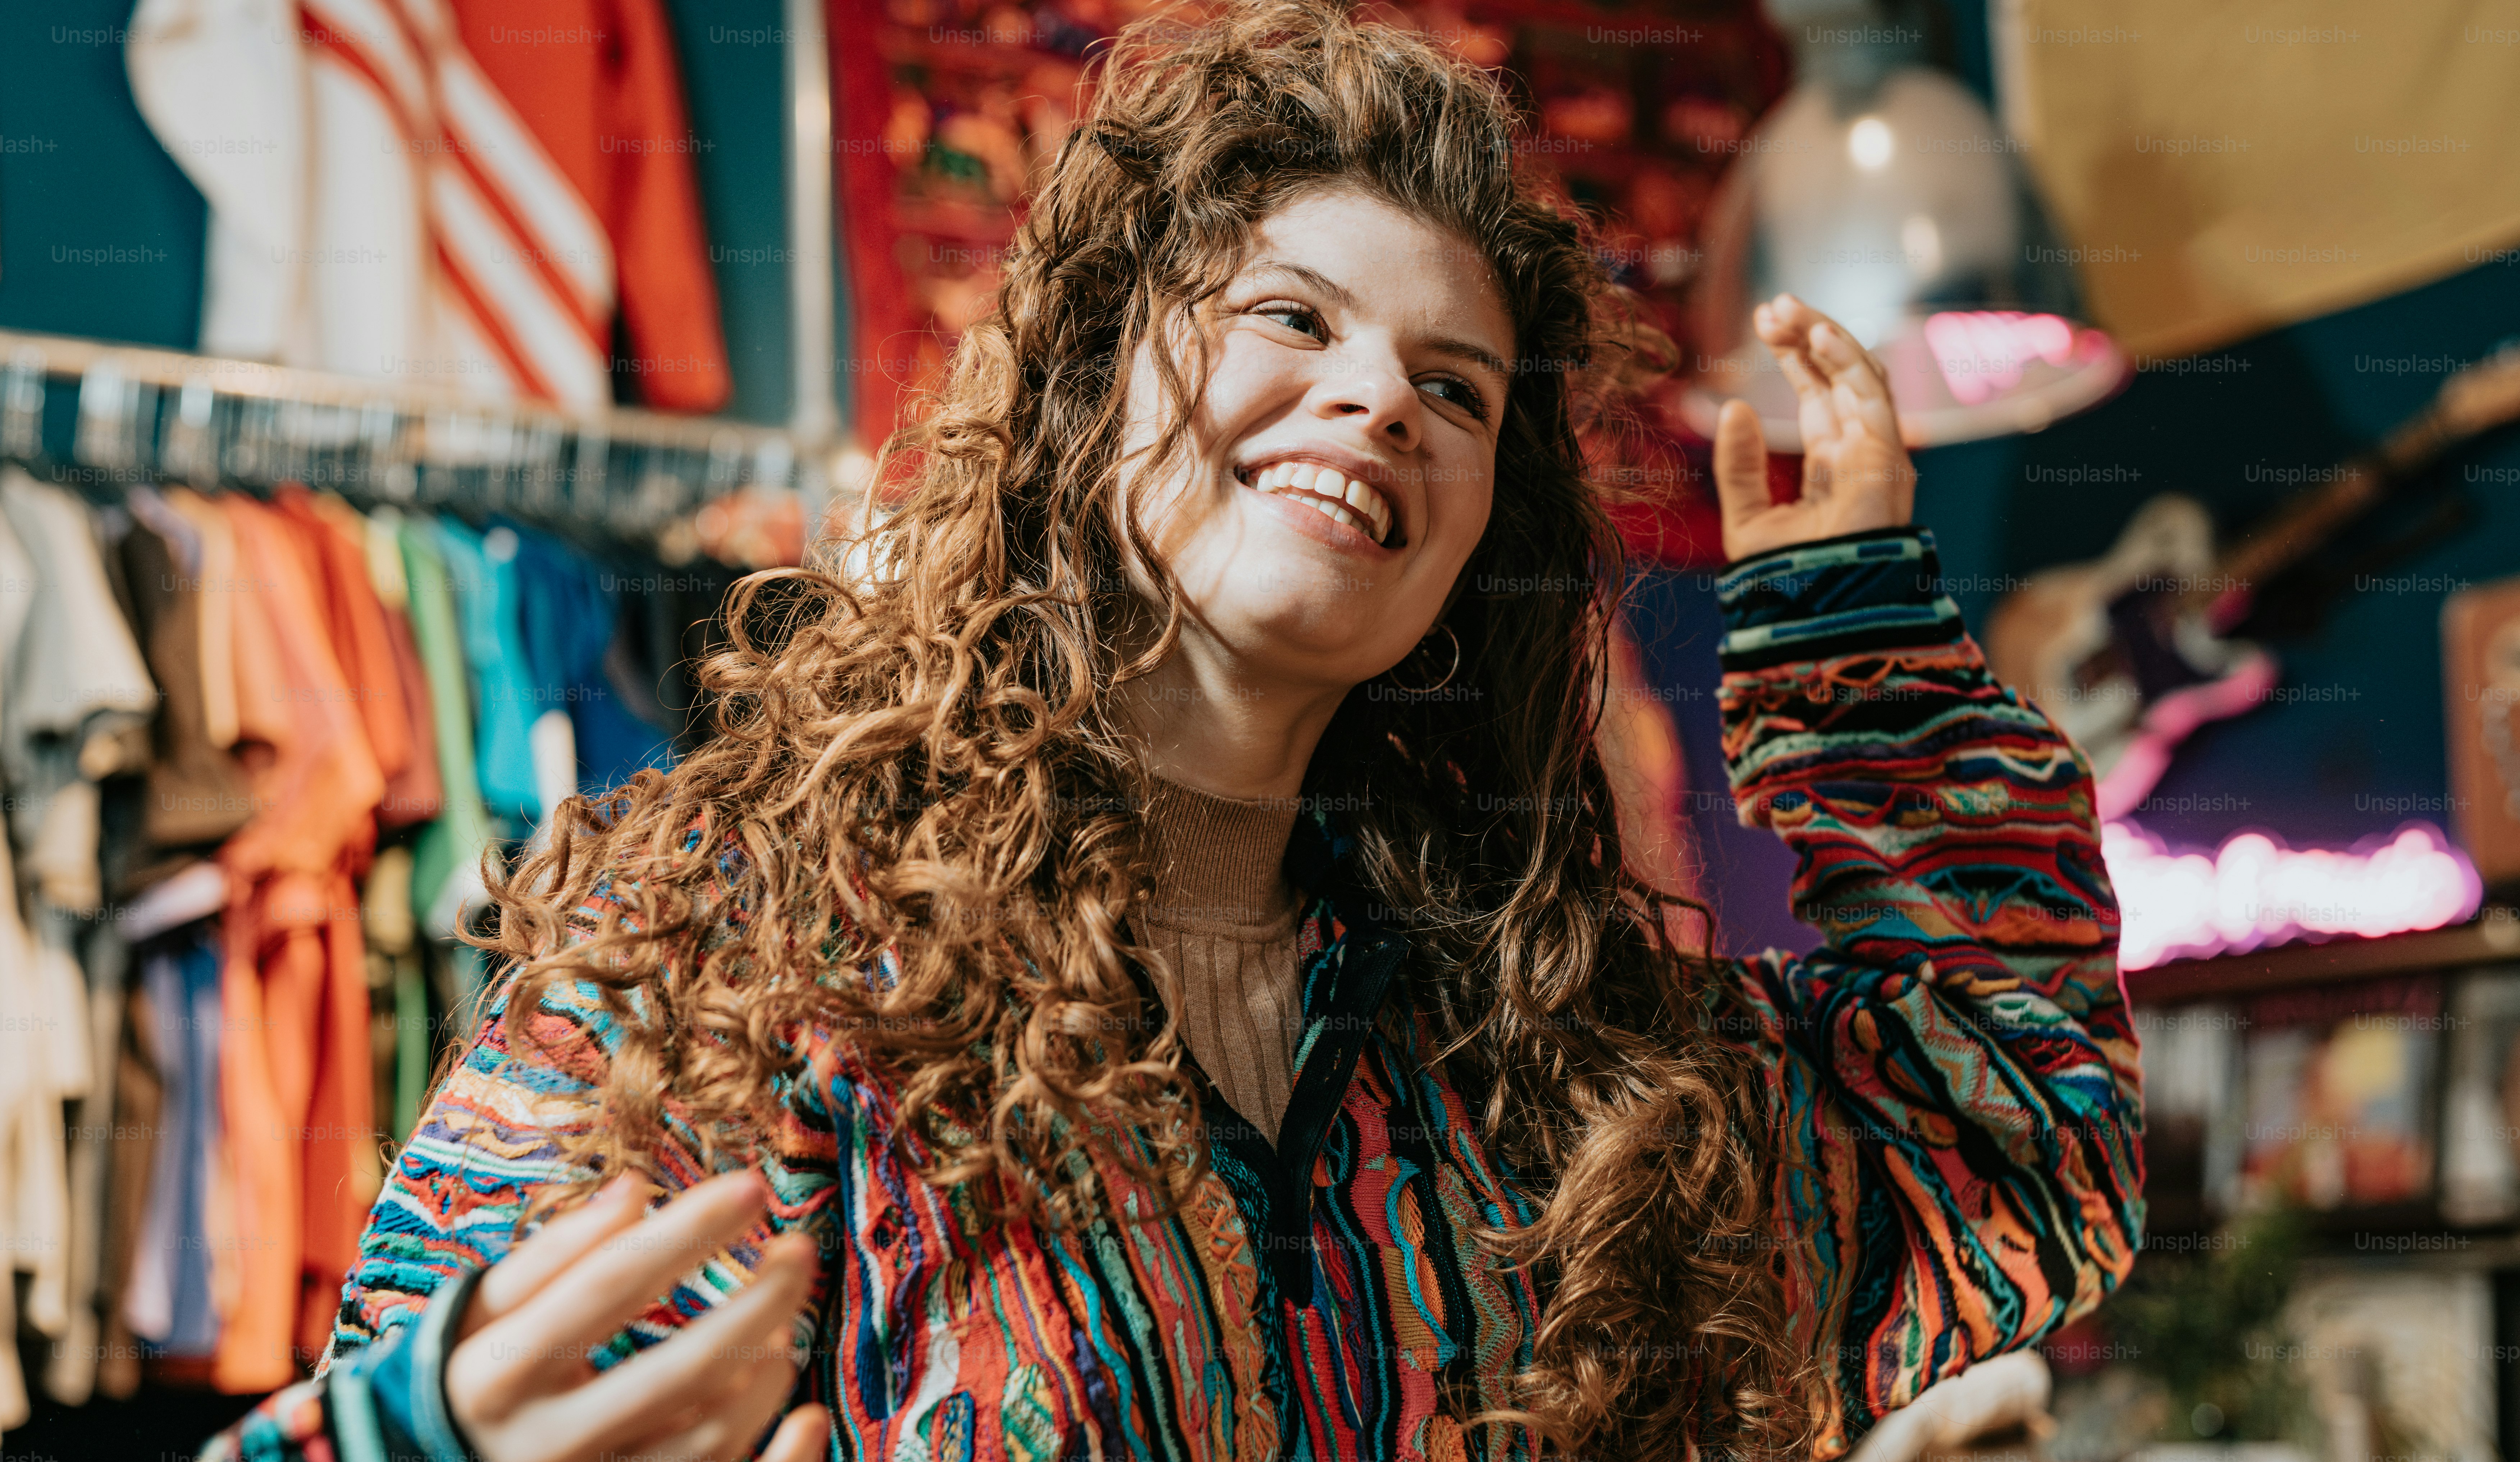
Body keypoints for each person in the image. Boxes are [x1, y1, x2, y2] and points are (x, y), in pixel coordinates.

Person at [205, 3, 2142, 1459]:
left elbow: (2033, 1134)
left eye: (1454, 390)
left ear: (1483, 540)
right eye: (1291, 318)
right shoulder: (757, 962)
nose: (1379, 398)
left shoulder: (1561, 1068)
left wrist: (1859, 647)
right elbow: (455, 1398)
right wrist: (427, 1432)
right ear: (1085, 388)